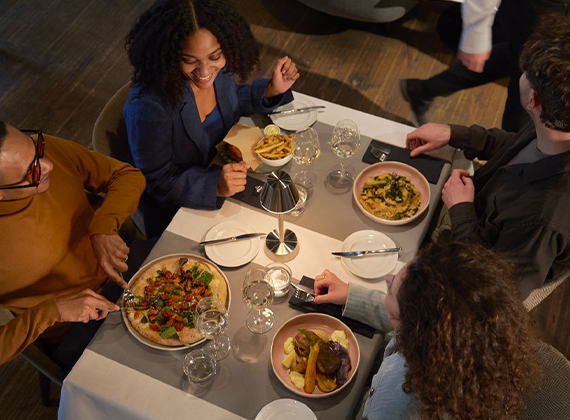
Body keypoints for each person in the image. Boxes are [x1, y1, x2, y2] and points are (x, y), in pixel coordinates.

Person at [405, 13, 570, 299]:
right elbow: (513, 145)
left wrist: (460, 209)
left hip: (464, 281)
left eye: (525, 74)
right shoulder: (556, 128)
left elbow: (492, 291)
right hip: (467, 222)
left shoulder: (542, 219)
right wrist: (455, 134)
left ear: (533, 100)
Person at [124, 0, 299, 237]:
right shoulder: (148, 106)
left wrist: (271, 91)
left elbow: (231, 100)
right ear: (169, 54)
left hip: (227, 180)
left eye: (214, 57)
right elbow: (157, 181)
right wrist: (214, 185)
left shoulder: (221, 70)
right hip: (180, 209)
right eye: (190, 61)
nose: (205, 72)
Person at [313, 243, 540, 420]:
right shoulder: (471, 342)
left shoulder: (398, 400)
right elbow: (410, 319)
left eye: (392, 289)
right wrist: (351, 295)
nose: (387, 278)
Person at [0, 122, 146, 369]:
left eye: (37, 148)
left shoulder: (43, 153)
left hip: (127, 271)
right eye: (32, 172)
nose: (48, 165)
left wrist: (103, 226)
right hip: (79, 327)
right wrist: (50, 312)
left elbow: (125, 175)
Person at [400, 0, 569, 132]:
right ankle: (507, 156)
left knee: (520, 60)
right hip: (536, 6)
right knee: (531, 85)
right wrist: (475, 31)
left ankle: (422, 90)